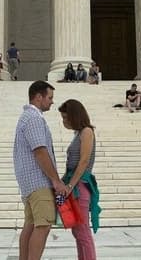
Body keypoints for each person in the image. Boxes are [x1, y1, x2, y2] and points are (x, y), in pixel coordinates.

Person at [13, 81, 66, 260]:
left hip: (29, 183)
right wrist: (56, 181)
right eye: (49, 98)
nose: (52, 102)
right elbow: (40, 151)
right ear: (38, 97)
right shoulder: (34, 118)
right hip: (39, 182)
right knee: (42, 226)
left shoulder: (25, 117)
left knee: (30, 225)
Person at [59, 99, 101, 260]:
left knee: (83, 230)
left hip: (80, 185)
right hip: (73, 184)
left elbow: (83, 161)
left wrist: (70, 185)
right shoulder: (78, 133)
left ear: (74, 116)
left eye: (65, 117)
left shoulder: (87, 132)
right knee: (77, 231)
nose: (64, 121)